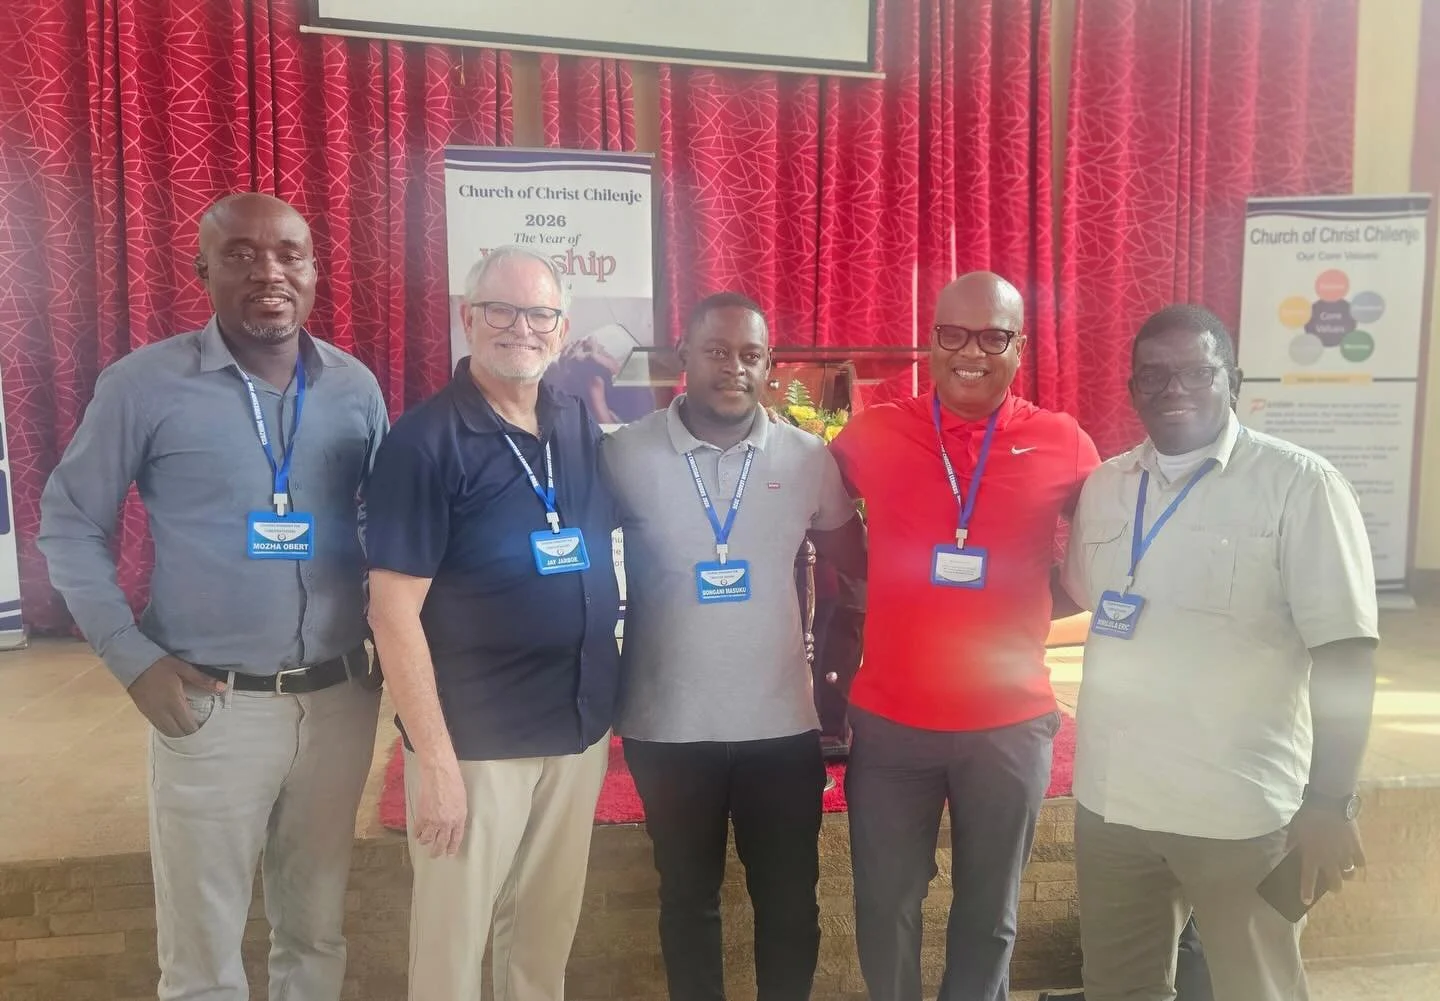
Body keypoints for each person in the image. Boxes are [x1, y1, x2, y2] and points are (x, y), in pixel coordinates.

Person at [38, 192, 387, 1001]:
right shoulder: (144, 385)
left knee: (315, 935)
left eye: (288, 254)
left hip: (339, 701)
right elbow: (67, 521)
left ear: (313, 270)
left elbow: (396, 525)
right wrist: (132, 659)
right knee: (203, 959)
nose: (268, 271)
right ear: (202, 271)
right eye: (241, 254)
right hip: (212, 703)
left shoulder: (353, 386)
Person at [1061, 304, 1379, 1001]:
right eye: (1154, 375)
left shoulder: (1300, 486)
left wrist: (1330, 800)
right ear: (1132, 387)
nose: (1173, 387)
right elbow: (1090, 596)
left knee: (1256, 987)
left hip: (1243, 812)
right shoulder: (1107, 487)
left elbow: (1348, 654)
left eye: (1196, 371)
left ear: (1232, 379)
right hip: (1115, 809)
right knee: (1117, 987)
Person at [829, 272, 1099, 1001]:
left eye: (993, 336)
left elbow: (1112, 548)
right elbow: (810, 516)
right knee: (884, 906)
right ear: (931, 341)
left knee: (991, 913)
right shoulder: (874, 434)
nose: (970, 351)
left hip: (1008, 727)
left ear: (1019, 349)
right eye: (953, 333)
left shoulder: (1062, 443)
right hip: (890, 725)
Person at [364, 246, 621, 1001]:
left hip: (574, 733)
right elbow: (392, 610)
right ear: (468, 316)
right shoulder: (423, 443)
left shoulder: (576, 424)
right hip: (475, 744)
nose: (521, 328)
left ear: (562, 326)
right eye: (501, 311)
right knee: (452, 951)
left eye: (539, 314)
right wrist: (434, 758)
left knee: (541, 944)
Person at [602, 292, 866, 1001]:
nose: (733, 367)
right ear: (682, 357)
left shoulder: (807, 458)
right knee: (688, 901)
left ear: (769, 366)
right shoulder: (625, 453)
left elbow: (858, 562)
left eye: (750, 354)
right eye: (716, 351)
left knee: (789, 904)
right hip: (667, 724)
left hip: (780, 727)